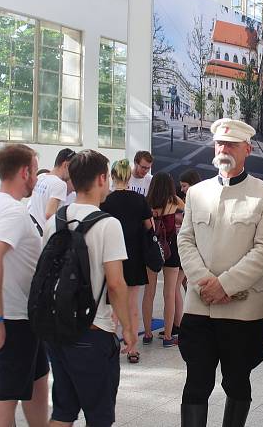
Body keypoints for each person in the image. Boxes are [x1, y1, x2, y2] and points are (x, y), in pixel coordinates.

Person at [177, 118, 263, 427]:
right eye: (220, 144)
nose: (224, 149)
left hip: (242, 310)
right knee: (196, 382)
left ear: (247, 149)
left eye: (232, 144)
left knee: (237, 381)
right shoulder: (197, 193)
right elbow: (185, 239)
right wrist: (203, 281)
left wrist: (224, 285)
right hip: (199, 306)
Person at [42, 150, 135, 427]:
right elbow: (116, 283)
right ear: (101, 178)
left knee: (63, 411)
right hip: (92, 332)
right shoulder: (108, 225)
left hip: (57, 330)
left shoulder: (54, 221)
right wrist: (129, 329)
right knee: (99, 416)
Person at [0, 144, 49, 427]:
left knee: (38, 379)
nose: (37, 179)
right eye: (35, 170)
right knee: (6, 396)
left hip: (23, 316)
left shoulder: (0, 204)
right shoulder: (12, 212)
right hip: (11, 318)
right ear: (25, 171)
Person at [100, 159, 154, 364]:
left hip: (112, 257)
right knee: (132, 305)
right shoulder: (139, 200)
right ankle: (132, 348)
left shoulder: (106, 201)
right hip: (134, 257)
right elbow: (149, 227)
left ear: (112, 176)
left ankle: (111, 346)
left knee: (112, 305)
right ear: (129, 176)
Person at [147, 172, 185, 348]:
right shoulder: (174, 201)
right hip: (171, 250)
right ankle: (169, 336)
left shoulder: (147, 203)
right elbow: (187, 207)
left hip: (153, 250)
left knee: (149, 292)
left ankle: (147, 334)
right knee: (169, 293)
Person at [27, 148, 75, 235]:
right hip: (45, 234)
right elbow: (50, 214)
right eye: (73, 169)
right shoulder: (60, 184)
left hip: (33, 229)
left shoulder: (41, 177)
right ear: (66, 165)